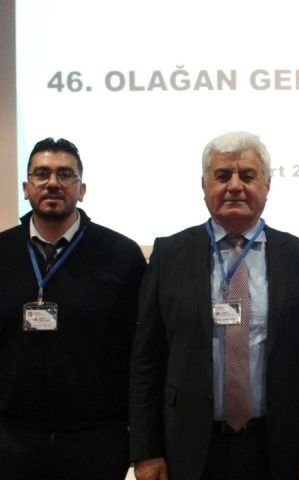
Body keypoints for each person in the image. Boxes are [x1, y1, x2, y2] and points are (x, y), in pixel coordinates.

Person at [128, 131, 299, 480]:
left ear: (267, 185)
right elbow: (146, 362)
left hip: (278, 446)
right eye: (222, 175)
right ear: (204, 185)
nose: (235, 186)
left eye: (248, 176)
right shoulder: (169, 255)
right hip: (189, 445)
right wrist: (146, 451)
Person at [0, 137, 147, 479]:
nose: (53, 183)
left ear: (81, 190)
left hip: (96, 440)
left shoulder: (121, 255)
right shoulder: (2, 252)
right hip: (11, 439)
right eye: (42, 174)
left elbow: (141, 352)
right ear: (26, 188)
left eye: (65, 174)